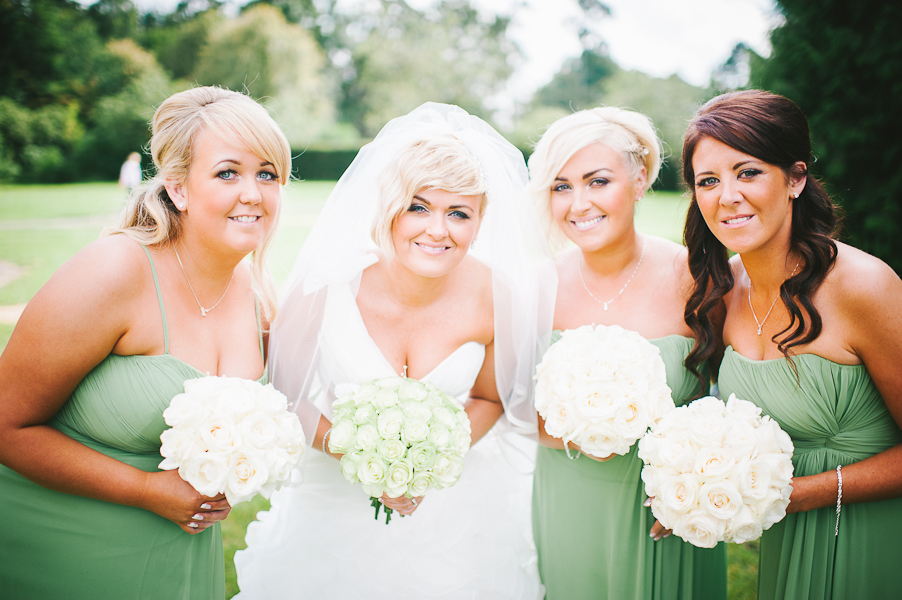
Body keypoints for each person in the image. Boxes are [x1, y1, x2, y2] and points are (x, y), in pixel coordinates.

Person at [234, 103, 554, 599]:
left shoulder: (499, 297)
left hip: (456, 514)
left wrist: (431, 462)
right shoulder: (325, 286)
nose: (437, 230)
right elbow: (287, 400)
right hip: (332, 506)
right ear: (388, 207)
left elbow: (490, 399)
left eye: (459, 213)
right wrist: (365, 458)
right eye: (418, 207)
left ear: (480, 221)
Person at [0, 86, 291, 599]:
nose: (253, 193)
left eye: (267, 174)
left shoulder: (261, 300)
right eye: (228, 173)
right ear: (178, 189)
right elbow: (6, 424)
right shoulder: (115, 271)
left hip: (177, 562)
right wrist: (146, 489)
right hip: (58, 553)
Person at [682, 89, 902, 599]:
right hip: (787, 540)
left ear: (796, 179)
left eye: (748, 172)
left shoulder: (864, 287)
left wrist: (796, 494)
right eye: (708, 180)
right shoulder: (723, 292)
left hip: (873, 538)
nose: (727, 196)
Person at [527, 107, 728, 599]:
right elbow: (508, 406)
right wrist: (582, 434)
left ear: (639, 180)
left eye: (598, 181)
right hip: (569, 497)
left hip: (669, 505)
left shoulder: (696, 278)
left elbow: (731, 400)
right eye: (561, 186)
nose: (579, 204)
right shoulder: (536, 286)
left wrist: (698, 486)